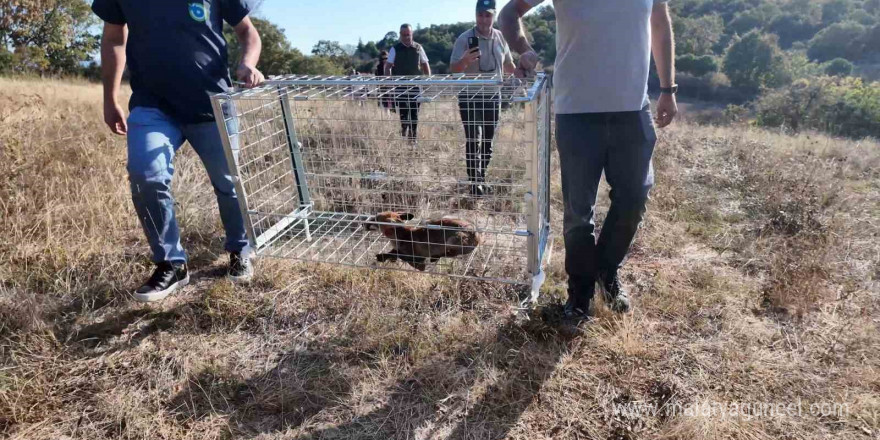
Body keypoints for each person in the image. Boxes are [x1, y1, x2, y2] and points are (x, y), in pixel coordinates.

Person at [500, 0, 678, 321]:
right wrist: (524, 49)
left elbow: (660, 24)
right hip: (576, 112)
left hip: (632, 110)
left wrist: (668, 88)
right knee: (578, 213)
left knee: (634, 198)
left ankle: (606, 271)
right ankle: (580, 291)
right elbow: (509, 13)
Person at [93, 0, 265, 302]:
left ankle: (240, 250)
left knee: (229, 183)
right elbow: (113, 38)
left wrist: (248, 62)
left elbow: (247, 32)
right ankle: (171, 262)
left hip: (212, 104)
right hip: (152, 104)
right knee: (145, 174)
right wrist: (110, 98)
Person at [450, 0, 516, 196]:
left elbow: (509, 66)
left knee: (488, 141)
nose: (483, 19)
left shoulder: (500, 38)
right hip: (469, 96)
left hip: (492, 97)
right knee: (473, 139)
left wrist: (520, 73)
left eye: (488, 15)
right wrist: (465, 61)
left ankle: (481, 178)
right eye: (480, 15)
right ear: (475, 15)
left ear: (494, 16)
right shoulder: (464, 38)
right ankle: (474, 183)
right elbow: (454, 68)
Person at [385, 24, 431, 142]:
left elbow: (425, 64)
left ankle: (413, 137)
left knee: (414, 112)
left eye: (408, 35)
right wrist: (389, 81)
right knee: (403, 112)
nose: (406, 37)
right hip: (400, 86)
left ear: (412, 34)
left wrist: (428, 80)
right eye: (404, 35)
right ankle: (404, 131)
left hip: (415, 86)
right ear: (400, 35)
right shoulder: (395, 49)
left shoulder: (418, 48)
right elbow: (388, 66)